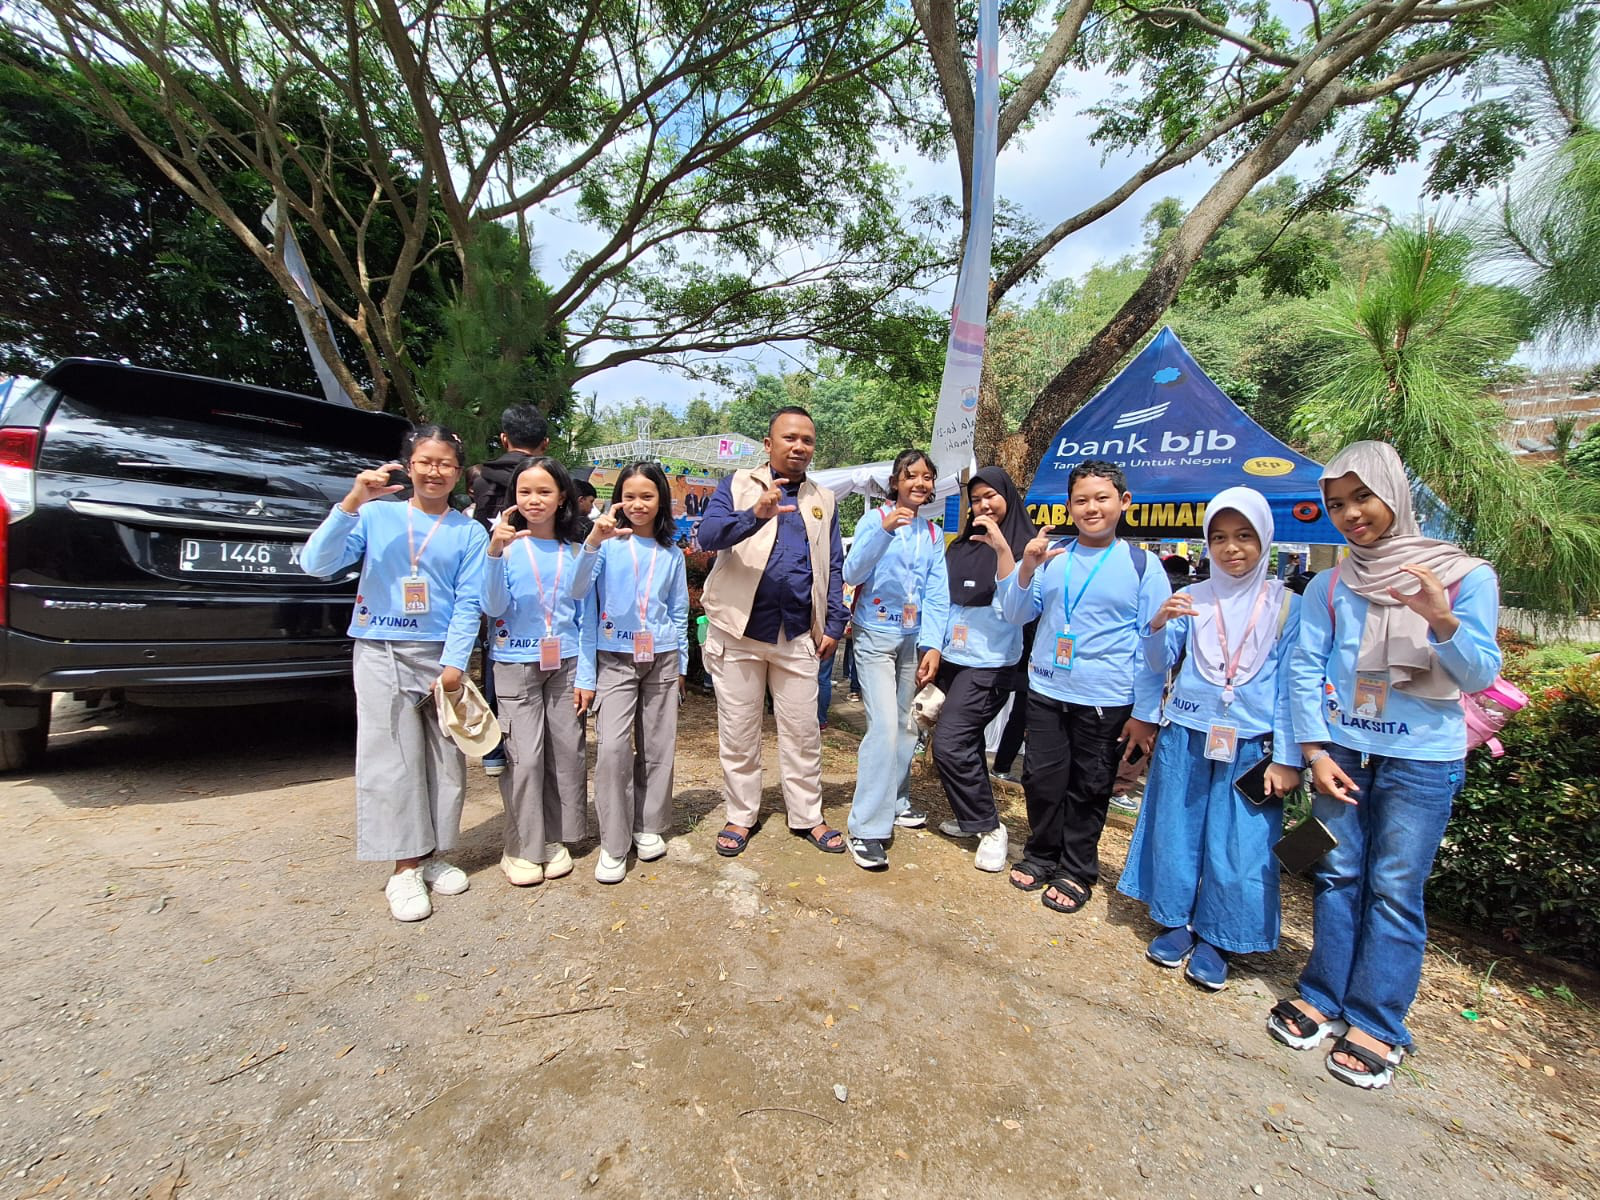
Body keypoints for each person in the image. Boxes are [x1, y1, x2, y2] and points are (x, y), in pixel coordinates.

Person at [1272, 441, 1501, 1091]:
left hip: (1421, 760)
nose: (1351, 514)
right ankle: (1323, 995)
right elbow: (1305, 668)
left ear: (1394, 493)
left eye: (1362, 497)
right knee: (1335, 873)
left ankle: (1377, 1021)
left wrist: (1442, 621)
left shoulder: (1463, 576)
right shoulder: (1331, 583)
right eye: (1337, 504)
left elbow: (1480, 674)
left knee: (1396, 889)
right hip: (1344, 753)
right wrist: (1314, 752)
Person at [1117, 487, 1303, 990]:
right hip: (1187, 732)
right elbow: (1158, 663)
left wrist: (1288, 757)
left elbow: (1294, 687)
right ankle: (1175, 919)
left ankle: (1220, 935)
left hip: (1253, 745)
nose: (1231, 548)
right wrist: (1158, 625)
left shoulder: (1288, 606)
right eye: (1218, 537)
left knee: (1242, 843)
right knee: (1177, 829)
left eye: (1244, 536)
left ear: (1265, 539)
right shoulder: (1193, 599)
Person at [301, 425, 488, 922]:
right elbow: (317, 563)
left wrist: (455, 664)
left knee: (445, 760)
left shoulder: (468, 531)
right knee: (392, 759)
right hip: (380, 648)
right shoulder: (375, 515)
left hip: (439, 656)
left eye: (445, 463)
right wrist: (351, 502)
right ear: (409, 466)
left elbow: (469, 601)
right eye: (425, 461)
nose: (434, 471)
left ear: (457, 472)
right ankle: (403, 868)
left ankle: (433, 854)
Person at [996, 460, 1170, 914]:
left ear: (1124, 502)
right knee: (1041, 778)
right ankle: (1041, 854)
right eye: (1081, 500)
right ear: (1069, 506)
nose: (1091, 508)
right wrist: (1026, 568)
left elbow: (1154, 644)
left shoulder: (1143, 566)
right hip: (1047, 690)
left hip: (1107, 698)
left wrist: (1145, 714)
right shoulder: (1054, 557)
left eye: (1101, 498)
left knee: (1089, 786)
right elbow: (1016, 614)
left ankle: (1076, 870)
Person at [696, 407, 848, 858]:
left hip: (798, 633)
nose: (799, 446)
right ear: (768, 444)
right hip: (738, 631)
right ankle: (741, 815)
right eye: (789, 438)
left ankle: (807, 814)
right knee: (739, 731)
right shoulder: (737, 484)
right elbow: (709, 535)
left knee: (803, 731)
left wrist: (833, 623)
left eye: (807, 440)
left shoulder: (824, 498)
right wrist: (754, 515)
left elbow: (832, 564)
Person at [481, 456, 597, 888]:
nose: (534, 500)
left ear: (562, 496)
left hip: (566, 665)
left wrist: (587, 676)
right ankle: (520, 846)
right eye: (525, 491)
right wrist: (495, 552)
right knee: (525, 757)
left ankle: (554, 837)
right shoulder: (505, 547)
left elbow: (586, 618)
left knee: (566, 753)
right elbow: (492, 606)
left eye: (544, 491)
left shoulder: (575, 551)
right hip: (515, 663)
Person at [571, 462, 689, 883]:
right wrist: (592, 541)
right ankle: (614, 840)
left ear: (661, 501)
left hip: (661, 657)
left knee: (658, 745)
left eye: (647, 496)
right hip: (613, 658)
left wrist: (681, 665)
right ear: (617, 499)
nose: (638, 505)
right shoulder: (605, 546)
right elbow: (578, 591)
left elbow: (678, 611)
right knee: (613, 750)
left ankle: (648, 824)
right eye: (630, 496)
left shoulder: (671, 553)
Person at [840, 449, 949, 870]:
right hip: (873, 638)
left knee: (907, 727)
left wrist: (932, 645)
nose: (919, 483)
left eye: (926, 477)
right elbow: (852, 573)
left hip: (911, 640)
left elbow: (937, 593)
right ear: (896, 482)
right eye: (911, 476)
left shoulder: (933, 533)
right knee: (884, 728)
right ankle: (866, 828)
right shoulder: (875, 520)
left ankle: (897, 799)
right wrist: (884, 531)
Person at [930, 467, 1036, 873]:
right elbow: (943, 602)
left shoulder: (1026, 548)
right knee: (966, 742)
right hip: (951, 658)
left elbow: (1018, 610)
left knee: (950, 743)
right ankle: (970, 818)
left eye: (991, 495)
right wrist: (932, 649)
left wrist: (1003, 551)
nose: (983, 505)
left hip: (990, 665)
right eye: (976, 500)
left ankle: (991, 827)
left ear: (1008, 496)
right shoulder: (961, 546)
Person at [469, 404, 550, 778]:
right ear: (545, 443)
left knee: (496, 656)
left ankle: (495, 750)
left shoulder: (483, 480)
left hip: (493, 572)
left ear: (504, 438)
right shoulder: (550, 480)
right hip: (540, 585)